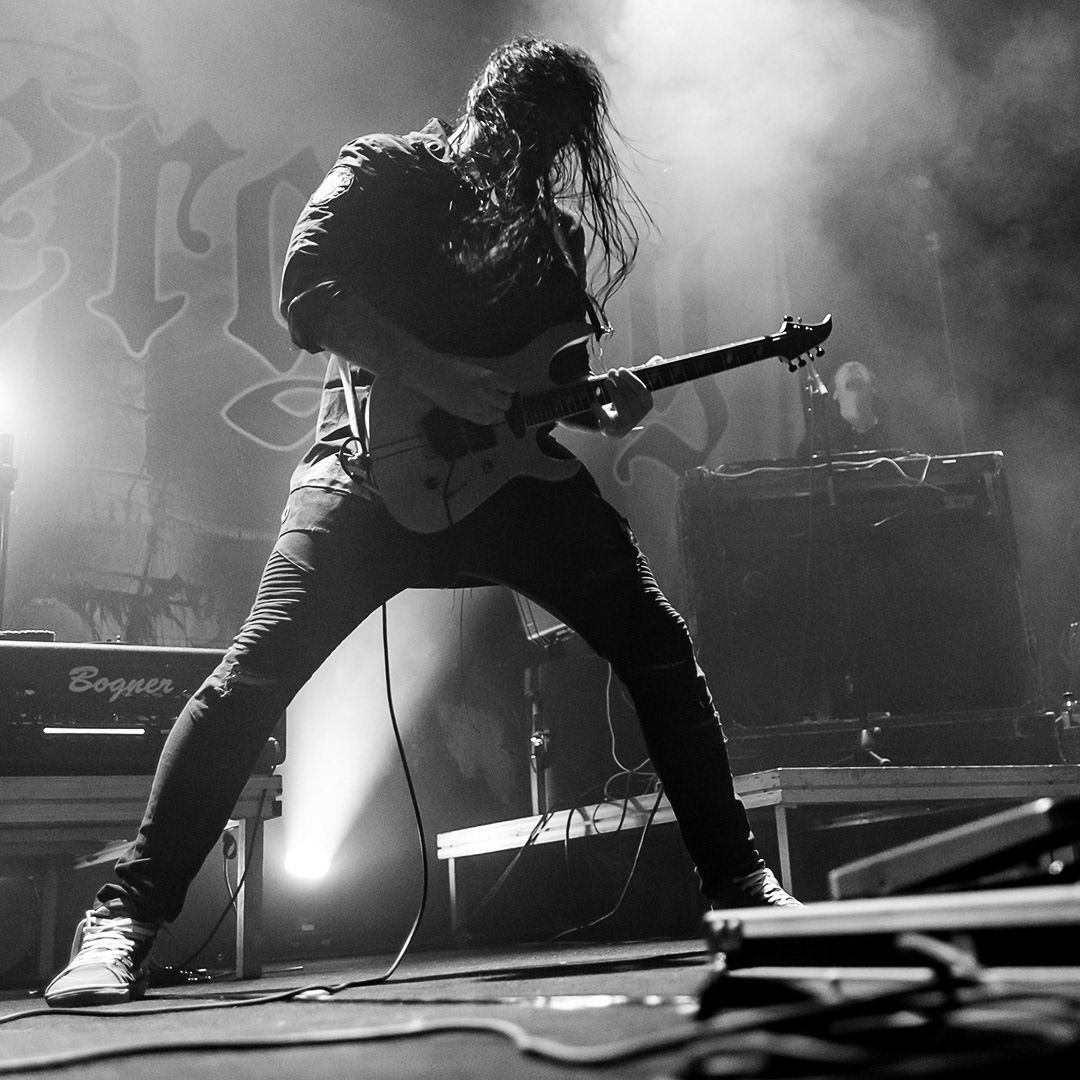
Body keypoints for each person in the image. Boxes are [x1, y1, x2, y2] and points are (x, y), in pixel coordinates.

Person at [45, 36, 798, 1009]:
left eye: (553, 149)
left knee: (657, 646)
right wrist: (434, 375)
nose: (533, 163)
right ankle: (122, 921)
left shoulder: (553, 233)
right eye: (523, 138)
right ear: (487, 110)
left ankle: (740, 886)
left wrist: (603, 408)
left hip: (512, 485)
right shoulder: (387, 171)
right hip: (364, 475)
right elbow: (308, 293)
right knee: (250, 682)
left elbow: (547, 384)